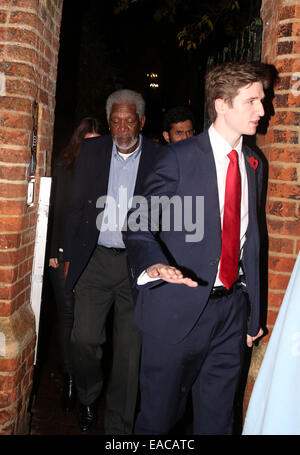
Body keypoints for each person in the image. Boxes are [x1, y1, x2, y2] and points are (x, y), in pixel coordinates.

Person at [124, 62, 270, 435]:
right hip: (177, 310)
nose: (262, 110)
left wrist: (252, 315)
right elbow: (138, 224)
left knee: (219, 422)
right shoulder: (176, 158)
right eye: (252, 101)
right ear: (221, 104)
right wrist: (156, 265)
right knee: (158, 421)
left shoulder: (254, 163)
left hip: (231, 313)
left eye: (262, 100)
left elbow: (252, 242)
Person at [63, 89, 162, 434]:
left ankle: (119, 429)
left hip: (137, 265)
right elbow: (76, 207)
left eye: (129, 120)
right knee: (84, 340)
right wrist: (66, 256)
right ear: (109, 123)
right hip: (95, 261)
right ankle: (89, 396)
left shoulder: (159, 157)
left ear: (141, 122)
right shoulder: (92, 151)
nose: (122, 128)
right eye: (116, 121)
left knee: (129, 355)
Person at [48, 117, 101, 413]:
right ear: (78, 141)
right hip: (63, 253)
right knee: (67, 314)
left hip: (93, 256)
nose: (92, 148)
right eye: (87, 141)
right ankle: (68, 379)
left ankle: (84, 382)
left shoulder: (105, 172)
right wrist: (57, 250)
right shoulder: (64, 168)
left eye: (97, 142)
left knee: (86, 323)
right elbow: (55, 209)